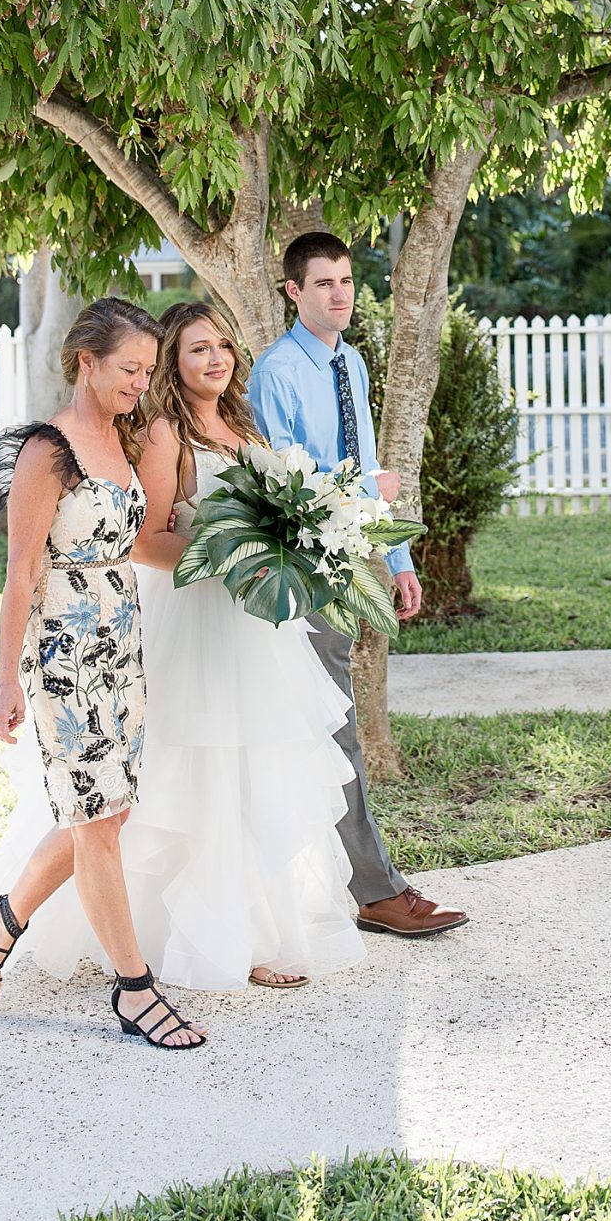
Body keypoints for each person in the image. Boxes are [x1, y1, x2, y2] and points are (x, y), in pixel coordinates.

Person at [0, 300, 365, 993]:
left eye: (222, 346)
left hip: (147, 639)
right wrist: (6, 679)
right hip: (95, 642)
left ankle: (8, 919)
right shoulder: (117, 439)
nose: (213, 359)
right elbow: (64, 558)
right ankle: (140, 978)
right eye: (188, 351)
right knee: (120, 806)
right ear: (86, 362)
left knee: (136, 804)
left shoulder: (206, 429)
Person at [0, 296, 207, 1051]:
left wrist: (230, 558)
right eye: (129, 369)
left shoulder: (121, 439)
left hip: (122, 649)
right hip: (63, 657)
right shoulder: (51, 450)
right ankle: (134, 991)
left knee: (106, 815)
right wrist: (7, 679)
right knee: (95, 821)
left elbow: (135, 546)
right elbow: (19, 572)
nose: (142, 382)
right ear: (86, 363)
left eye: (147, 370)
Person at [247, 231, 469, 939]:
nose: (338, 293)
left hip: (346, 564)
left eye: (344, 280)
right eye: (322, 283)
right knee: (332, 730)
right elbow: (282, 486)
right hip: (298, 574)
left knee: (324, 731)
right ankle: (374, 891)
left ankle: (347, 888)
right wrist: (351, 505)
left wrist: (396, 563)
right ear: (293, 291)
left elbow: (367, 467)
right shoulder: (276, 372)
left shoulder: (352, 365)